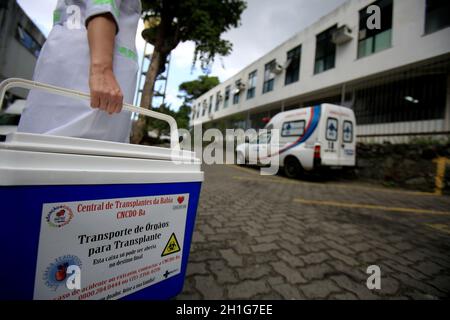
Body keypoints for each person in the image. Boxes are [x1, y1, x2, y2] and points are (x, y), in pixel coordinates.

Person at [18, 0, 141, 143]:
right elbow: (101, 4)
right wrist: (102, 69)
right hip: (86, 72)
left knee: (42, 148)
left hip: (80, 66)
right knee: (55, 150)